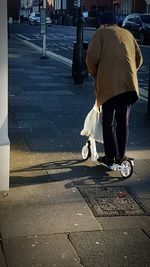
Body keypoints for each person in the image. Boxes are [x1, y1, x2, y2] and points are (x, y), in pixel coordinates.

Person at [86, 11, 143, 166]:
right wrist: (128, 72)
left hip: (110, 85)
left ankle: (110, 157)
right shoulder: (127, 34)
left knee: (108, 121)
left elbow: (91, 58)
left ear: (103, 24)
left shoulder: (101, 33)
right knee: (123, 121)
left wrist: (96, 73)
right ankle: (121, 156)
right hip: (129, 85)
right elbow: (139, 59)